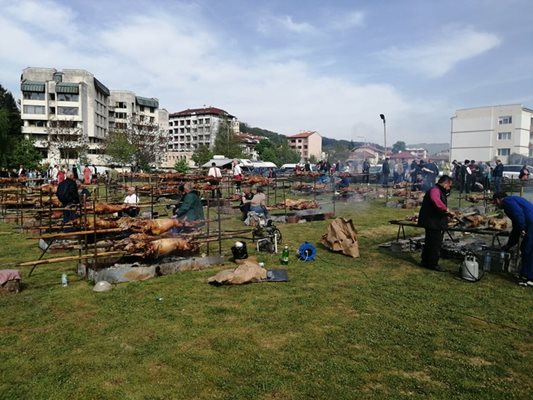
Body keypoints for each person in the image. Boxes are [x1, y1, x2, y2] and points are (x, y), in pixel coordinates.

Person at [493, 192, 533, 285]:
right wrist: (509, 244)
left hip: (531, 224)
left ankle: (528, 278)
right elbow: (516, 227)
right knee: (525, 248)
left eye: (495, 202)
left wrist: (522, 228)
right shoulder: (513, 199)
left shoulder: (507, 202)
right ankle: (525, 274)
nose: (496, 204)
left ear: (498, 199)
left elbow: (518, 216)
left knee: (528, 249)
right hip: (530, 223)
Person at [417, 175, 454, 272]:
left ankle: (425, 261)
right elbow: (436, 201)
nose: (449, 188)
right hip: (433, 221)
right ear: (446, 183)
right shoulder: (435, 190)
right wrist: (446, 210)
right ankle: (432, 264)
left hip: (433, 221)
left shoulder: (439, 190)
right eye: (449, 186)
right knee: (435, 243)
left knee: (429, 242)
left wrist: (446, 213)